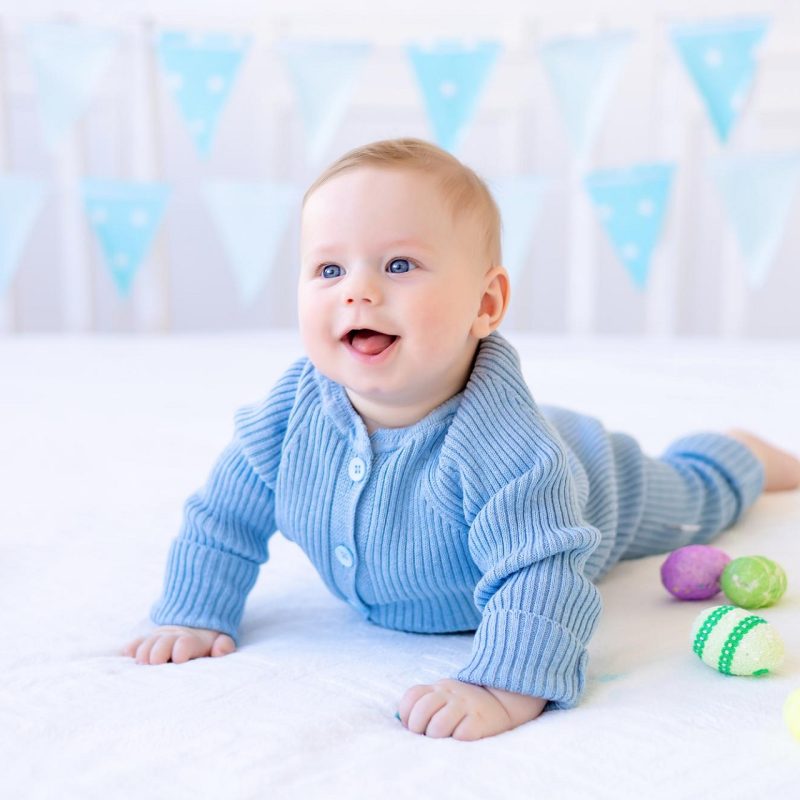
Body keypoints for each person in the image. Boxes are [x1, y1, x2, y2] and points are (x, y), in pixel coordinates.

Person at [122, 137, 800, 741]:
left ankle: (736, 450)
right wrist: (195, 610)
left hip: (596, 481)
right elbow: (223, 516)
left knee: (695, 498)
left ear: (486, 304)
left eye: (398, 266)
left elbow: (542, 573)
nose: (356, 290)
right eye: (329, 270)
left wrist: (506, 686)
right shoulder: (286, 419)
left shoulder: (508, 455)